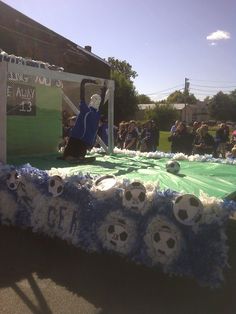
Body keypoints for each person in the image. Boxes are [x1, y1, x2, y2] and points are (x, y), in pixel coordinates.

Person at [63, 79, 107, 161]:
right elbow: (101, 103)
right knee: (78, 149)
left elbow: (82, 96)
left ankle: (70, 156)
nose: (95, 102)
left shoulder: (86, 109)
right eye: (94, 100)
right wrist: (104, 91)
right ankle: (77, 156)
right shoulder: (96, 113)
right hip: (84, 139)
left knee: (72, 149)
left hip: (78, 137)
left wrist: (85, 82)